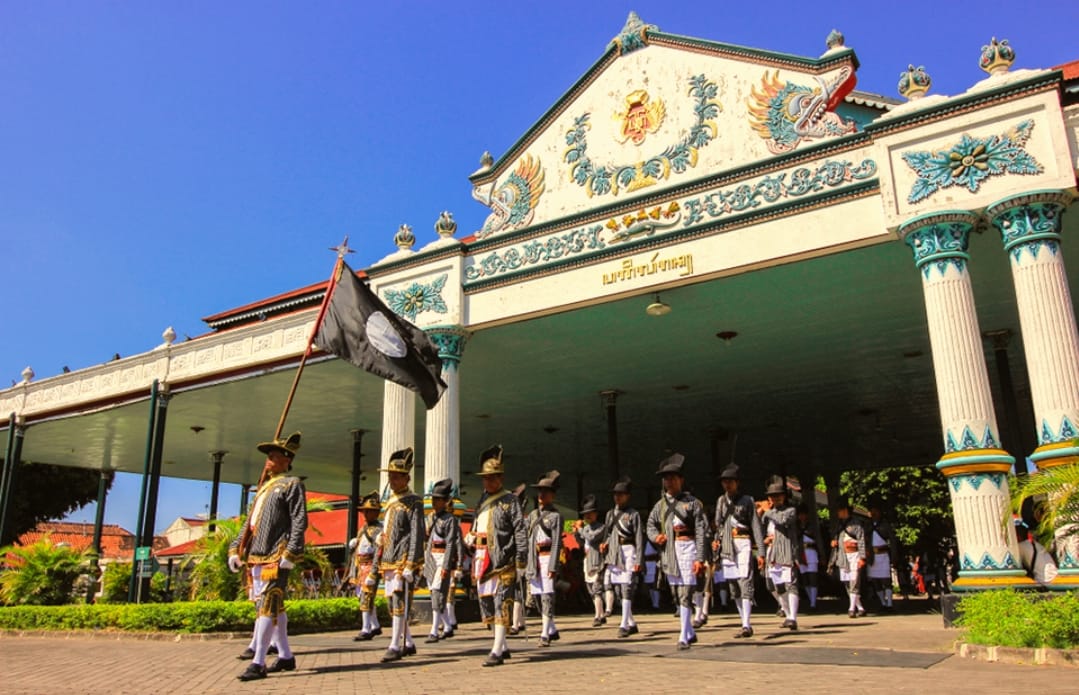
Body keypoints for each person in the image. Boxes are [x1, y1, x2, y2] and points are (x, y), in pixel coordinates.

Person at [229, 432, 307, 681]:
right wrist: (235, 548)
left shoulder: (291, 484)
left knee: (268, 605)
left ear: (287, 460)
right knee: (274, 607)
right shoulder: (264, 487)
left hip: (276, 554)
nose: (269, 461)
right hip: (256, 554)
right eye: (268, 457)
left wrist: (292, 551)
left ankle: (258, 661)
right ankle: (285, 656)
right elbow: (249, 523)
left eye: (274, 456)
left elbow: (299, 520)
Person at [465, 445, 527, 667]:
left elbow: (520, 530)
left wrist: (521, 560)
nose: (488, 482)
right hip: (482, 559)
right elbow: (477, 523)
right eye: (485, 478)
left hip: (503, 559)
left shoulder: (510, 501)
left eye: (492, 478)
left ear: (500, 478)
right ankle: (501, 644)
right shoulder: (482, 500)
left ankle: (497, 649)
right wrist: (470, 536)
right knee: (487, 603)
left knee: (502, 603)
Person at [647, 453, 708, 650]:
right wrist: (656, 536)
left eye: (673, 477)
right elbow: (650, 525)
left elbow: (701, 531)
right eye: (666, 478)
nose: (669, 481)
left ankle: (683, 634)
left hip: (688, 548)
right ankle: (689, 631)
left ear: (681, 479)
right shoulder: (660, 505)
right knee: (676, 591)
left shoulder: (692, 503)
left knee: (686, 591)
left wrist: (700, 557)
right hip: (671, 552)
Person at [376, 447, 425, 663]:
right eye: (390, 476)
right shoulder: (391, 502)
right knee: (392, 602)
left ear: (406, 478)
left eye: (396, 476)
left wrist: (411, 563)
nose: (392, 480)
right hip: (388, 558)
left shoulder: (413, 501)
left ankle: (395, 644)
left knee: (399, 602)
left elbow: (417, 532)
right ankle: (409, 642)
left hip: (402, 559)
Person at [713, 463, 765, 638]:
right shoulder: (721, 501)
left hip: (743, 542)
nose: (728, 485)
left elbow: (756, 527)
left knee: (745, 580)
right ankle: (743, 620)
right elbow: (719, 524)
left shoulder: (747, 501)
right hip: (727, 543)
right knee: (733, 585)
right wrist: (716, 543)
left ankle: (747, 623)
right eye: (725, 482)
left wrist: (761, 552)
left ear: (737, 483)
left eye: (731, 481)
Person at [602, 476, 644, 638]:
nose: (618, 497)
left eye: (621, 494)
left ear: (627, 496)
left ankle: (624, 623)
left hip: (629, 551)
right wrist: (605, 543)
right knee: (618, 590)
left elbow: (639, 537)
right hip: (614, 552)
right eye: (616, 494)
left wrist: (639, 559)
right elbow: (609, 533)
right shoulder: (609, 514)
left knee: (627, 587)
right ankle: (631, 622)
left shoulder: (633, 514)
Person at [526, 470, 564, 647]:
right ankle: (552, 628)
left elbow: (556, 542)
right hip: (534, 558)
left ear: (552, 495)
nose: (542, 495)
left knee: (547, 595)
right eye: (540, 491)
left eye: (546, 492)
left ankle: (544, 633)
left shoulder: (556, 516)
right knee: (537, 597)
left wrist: (553, 564)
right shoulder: (533, 515)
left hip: (548, 556)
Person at [424, 477, 462, 642]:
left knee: (439, 594)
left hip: (442, 559)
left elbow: (452, 544)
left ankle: (434, 630)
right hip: (431, 558)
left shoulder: (450, 520)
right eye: (433, 498)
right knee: (434, 592)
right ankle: (447, 625)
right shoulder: (431, 518)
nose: (434, 502)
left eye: (438, 499)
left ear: (445, 501)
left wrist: (448, 565)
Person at [760, 480, 801, 630]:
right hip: (772, 553)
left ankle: (793, 617)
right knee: (774, 585)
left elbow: (782, 520)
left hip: (786, 552)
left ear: (783, 496)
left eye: (778, 496)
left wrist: (767, 511)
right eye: (772, 496)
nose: (775, 499)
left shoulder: (790, 511)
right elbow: (761, 529)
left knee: (791, 584)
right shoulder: (768, 514)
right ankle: (787, 612)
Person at [348, 491, 384, 641]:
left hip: (370, 566)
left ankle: (366, 628)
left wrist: (373, 573)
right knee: (363, 597)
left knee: (366, 597)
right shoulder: (363, 528)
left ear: (375, 513)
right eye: (364, 511)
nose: (365, 514)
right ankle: (375, 625)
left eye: (368, 511)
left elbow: (378, 552)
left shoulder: (379, 530)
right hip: (359, 566)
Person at [572, 493, 607, 627]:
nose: (587, 516)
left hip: (597, 561)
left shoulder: (601, 527)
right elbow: (582, 542)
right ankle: (600, 613)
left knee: (597, 588)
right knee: (590, 589)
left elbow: (591, 537)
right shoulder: (585, 528)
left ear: (596, 514)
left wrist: (580, 529)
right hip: (587, 561)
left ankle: (598, 615)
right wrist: (576, 533)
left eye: (590, 513)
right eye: (585, 514)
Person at [829, 499, 866, 618]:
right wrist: (834, 542)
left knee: (854, 580)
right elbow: (836, 538)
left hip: (854, 555)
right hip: (843, 555)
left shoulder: (856, 523)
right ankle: (860, 607)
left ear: (844, 510)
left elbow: (861, 540)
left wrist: (862, 557)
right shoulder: (839, 525)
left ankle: (851, 608)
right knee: (847, 581)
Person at [866, 496, 900, 611]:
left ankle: (889, 603)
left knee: (886, 580)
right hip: (872, 555)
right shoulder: (868, 525)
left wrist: (894, 556)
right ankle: (883, 602)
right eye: (871, 511)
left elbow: (892, 541)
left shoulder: (885, 525)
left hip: (883, 554)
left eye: (875, 511)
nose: (873, 513)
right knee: (875, 581)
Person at [796, 503, 820, 611]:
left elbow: (818, 541)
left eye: (803, 514)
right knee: (804, 579)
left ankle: (813, 603)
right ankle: (811, 599)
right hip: (801, 553)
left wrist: (822, 555)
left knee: (813, 577)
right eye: (800, 515)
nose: (802, 517)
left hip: (811, 552)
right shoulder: (796, 527)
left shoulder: (812, 526)